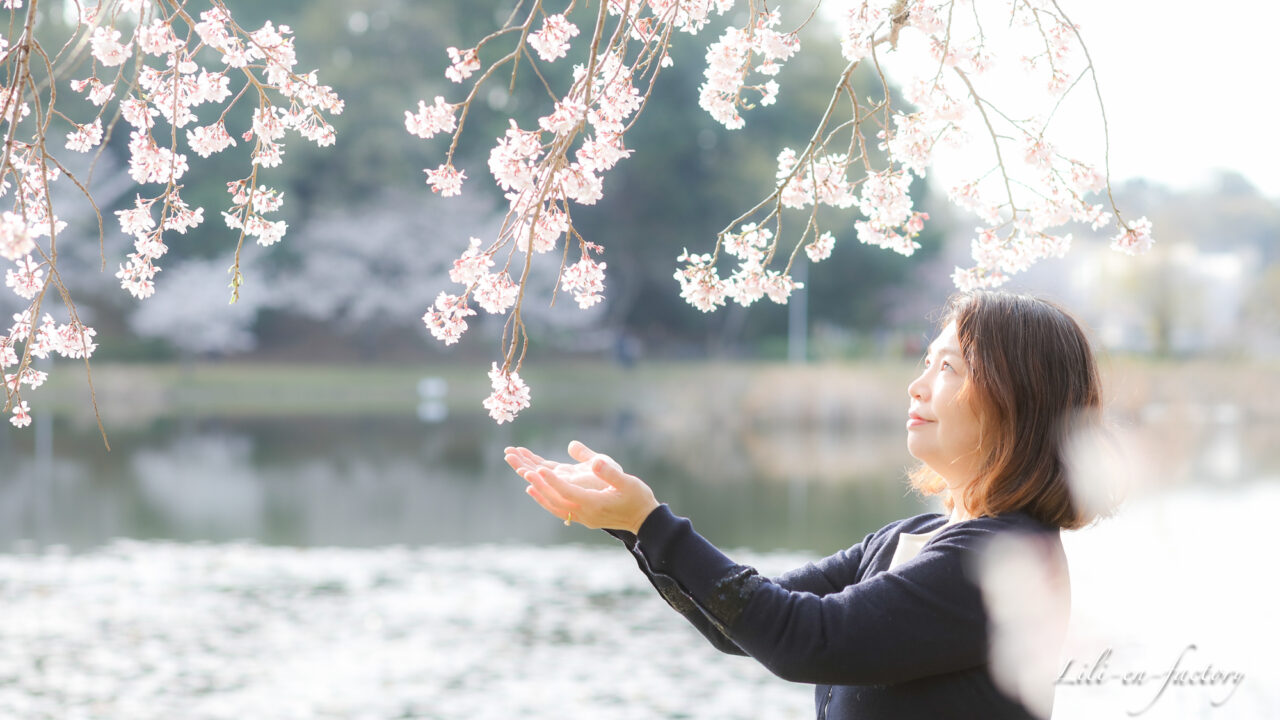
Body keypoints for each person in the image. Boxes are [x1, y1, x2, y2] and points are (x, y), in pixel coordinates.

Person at [503, 291, 1105, 720]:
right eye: (926, 362)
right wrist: (633, 526)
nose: (917, 385)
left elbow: (806, 639)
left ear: (1015, 400)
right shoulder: (915, 536)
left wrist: (650, 521)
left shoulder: (1001, 560)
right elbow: (742, 626)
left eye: (947, 367)